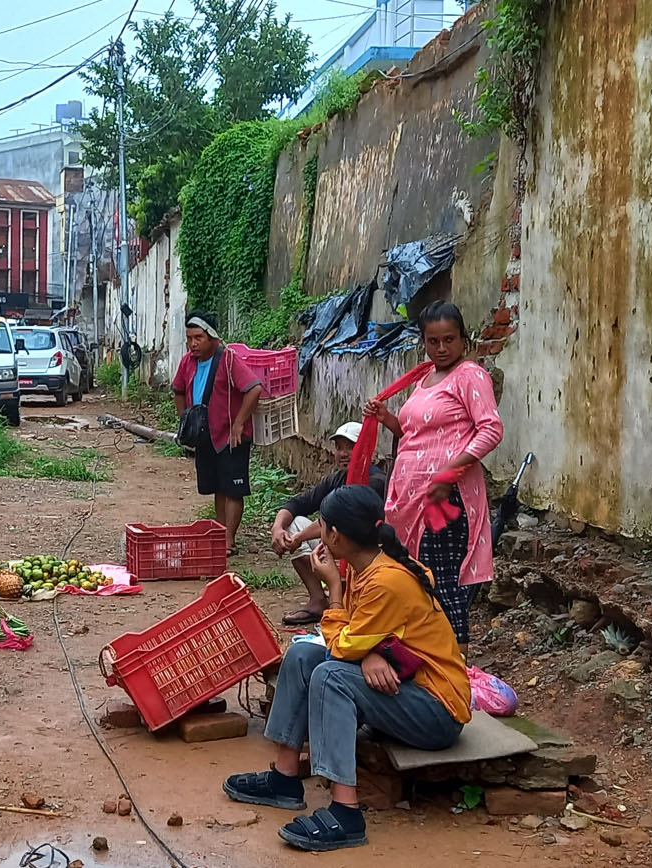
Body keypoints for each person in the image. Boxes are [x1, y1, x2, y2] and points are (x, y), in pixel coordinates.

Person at [222, 485, 469, 852]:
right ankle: (285, 778)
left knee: (330, 675)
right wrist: (367, 652)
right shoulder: (365, 565)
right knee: (303, 656)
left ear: (335, 536)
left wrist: (333, 590)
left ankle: (346, 812)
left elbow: (342, 645)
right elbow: (358, 636)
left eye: (322, 526)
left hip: (436, 709)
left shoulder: (384, 580)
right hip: (400, 682)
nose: (319, 532)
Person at [363, 302, 503, 645]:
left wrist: (447, 474)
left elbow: (490, 430)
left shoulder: (470, 376)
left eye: (449, 340)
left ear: (463, 339)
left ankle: (454, 676)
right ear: (423, 341)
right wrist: (386, 418)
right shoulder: (424, 379)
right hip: (410, 499)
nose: (441, 349)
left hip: (444, 498)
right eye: (433, 341)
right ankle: (430, 665)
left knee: (441, 580)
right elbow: (413, 437)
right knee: (415, 578)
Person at [269, 422, 389, 625]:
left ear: (366, 448)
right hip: (340, 546)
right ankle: (318, 600)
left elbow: (336, 520)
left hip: (369, 553)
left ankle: (344, 595)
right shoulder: (337, 478)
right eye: (339, 447)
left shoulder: (375, 481)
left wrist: (299, 538)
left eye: (350, 447)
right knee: (293, 523)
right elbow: (299, 503)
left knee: (302, 531)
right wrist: (277, 528)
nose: (343, 453)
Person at [171, 314, 264, 551]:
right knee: (217, 486)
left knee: (233, 488)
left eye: (198, 338)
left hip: (231, 436)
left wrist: (239, 423)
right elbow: (178, 389)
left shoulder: (228, 360)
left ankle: (229, 539)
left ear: (212, 337)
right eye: (189, 338)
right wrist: (185, 419)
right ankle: (221, 534)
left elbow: (253, 388)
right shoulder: (187, 362)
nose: (193, 344)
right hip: (205, 435)